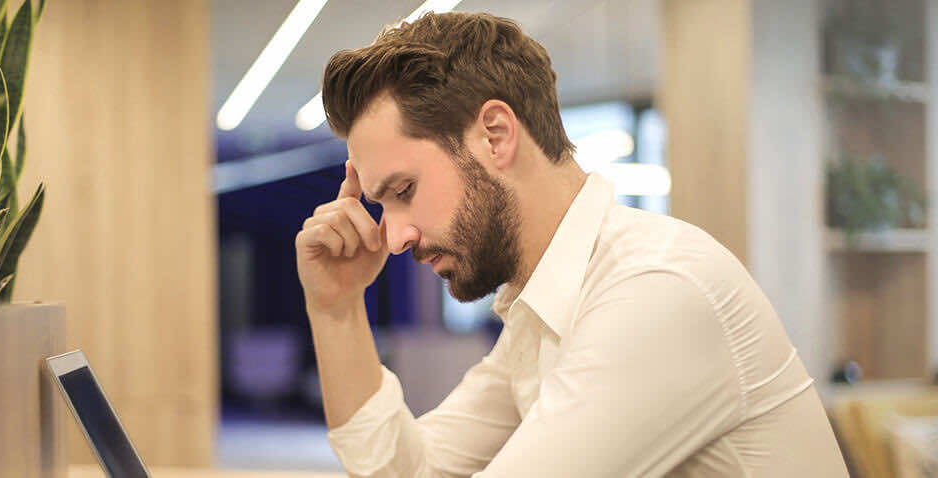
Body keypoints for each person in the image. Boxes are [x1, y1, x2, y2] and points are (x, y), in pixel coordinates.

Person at [294, 11, 849, 477]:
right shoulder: (540, 316)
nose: (393, 239)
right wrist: (336, 307)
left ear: (495, 135)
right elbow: (412, 472)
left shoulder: (655, 289)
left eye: (405, 191)